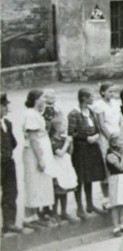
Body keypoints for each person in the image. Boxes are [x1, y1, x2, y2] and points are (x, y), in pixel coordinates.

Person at [68, 88, 107, 218]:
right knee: (80, 177)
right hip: (81, 148)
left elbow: (97, 127)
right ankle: (79, 207)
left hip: (92, 148)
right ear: (84, 98)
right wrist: (86, 138)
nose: (93, 98)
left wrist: (96, 135)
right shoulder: (74, 113)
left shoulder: (90, 111)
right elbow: (71, 132)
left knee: (89, 176)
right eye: (91, 96)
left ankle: (90, 204)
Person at [22, 90, 56, 229]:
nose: (45, 99)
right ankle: (28, 218)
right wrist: (40, 159)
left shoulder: (36, 114)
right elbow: (33, 138)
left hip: (41, 151)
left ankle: (35, 216)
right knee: (33, 184)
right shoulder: (30, 115)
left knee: (41, 184)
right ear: (36, 100)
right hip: (34, 154)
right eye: (43, 97)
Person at [43, 90, 76, 222]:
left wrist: (69, 142)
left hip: (65, 166)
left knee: (65, 189)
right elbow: (60, 153)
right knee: (58, 190)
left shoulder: (62, 138)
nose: (65, 127)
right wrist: (67, 142)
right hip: (57, 166)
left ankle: (64, 211)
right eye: (63, 125)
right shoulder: (53, 141)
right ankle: (55, 212)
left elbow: (69, 152)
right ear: (56, 127)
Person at [1, 93, 26, 234]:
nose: (6, 108)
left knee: (10, 191)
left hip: (8, 162)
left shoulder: (7, 123)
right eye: (3, 105)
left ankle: (9, 222)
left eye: (6, 105)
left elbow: (13, 143)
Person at [105, 134, 123, 237]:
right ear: (113, 143)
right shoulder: (110, 155)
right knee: (115, 203)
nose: (122, 142)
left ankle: (122, 224)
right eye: (120, 141)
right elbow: (120, 167)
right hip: (115, 179)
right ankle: (116, 227)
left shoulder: (122, 153)